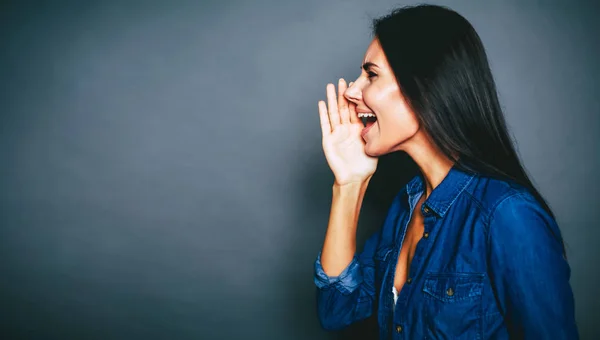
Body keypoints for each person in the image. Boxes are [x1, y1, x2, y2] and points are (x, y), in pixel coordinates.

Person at [313, 4, 579, 339]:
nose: (351, 91)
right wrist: (349, 183)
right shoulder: (406, 205)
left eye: (371, 75)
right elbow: (336, 310)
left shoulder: (508, 215)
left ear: (422, 85)